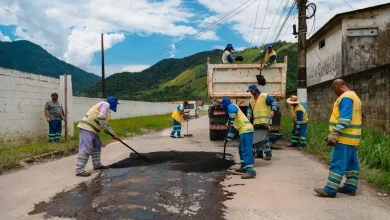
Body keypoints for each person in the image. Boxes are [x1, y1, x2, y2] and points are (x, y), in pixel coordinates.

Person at [314, 79, 362, 197]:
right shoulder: (355, 96)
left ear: (336, 87)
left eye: (333, 90)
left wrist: (335, 132)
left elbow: (345, 118)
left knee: (337, 162)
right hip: (353, 138)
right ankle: (351, 187)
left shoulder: (345, 97)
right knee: (352, 164)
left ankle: (330, 189)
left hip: (343, 138)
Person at [75, 96, 119, 177]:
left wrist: (112, 133)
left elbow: (106, 124)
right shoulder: (105, 104)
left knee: (97, 146)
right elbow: (101, 117)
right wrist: (105, 128)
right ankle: (79, 170)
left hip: (93, 130)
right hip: (86, 128)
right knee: (86, 148)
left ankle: (97, 165)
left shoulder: (106, 110)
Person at [222, 97, 256, 179]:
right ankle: (244, 167)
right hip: (244, 130)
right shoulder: (232, 116)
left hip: (246, 130)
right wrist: (227, 140)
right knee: (241, 149)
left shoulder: (231, 106)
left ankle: (251, 171)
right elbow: (232, 130)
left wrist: (230, 122)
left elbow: (232, 112)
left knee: (246, 149)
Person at [246, 85, 278, 160]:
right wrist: (248, 115)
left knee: (264, 138)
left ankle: (268, 154)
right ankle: (259, 153)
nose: (250, 92)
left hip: (265, 121)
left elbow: (274, 102)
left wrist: (273, 110)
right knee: (257, 138)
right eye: (250, 91)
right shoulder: (251, 99)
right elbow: (249, 109)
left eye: (251, 91)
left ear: (255, 90)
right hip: (256, 122)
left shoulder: (264, 96)